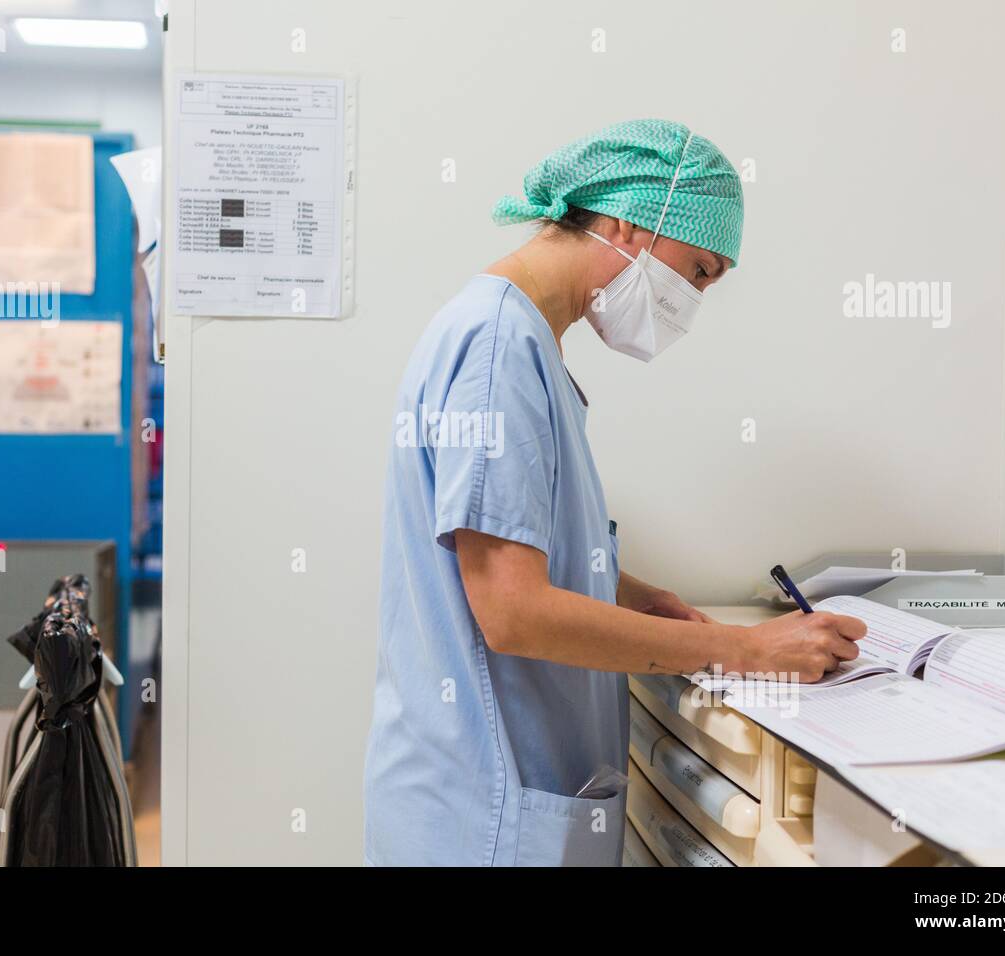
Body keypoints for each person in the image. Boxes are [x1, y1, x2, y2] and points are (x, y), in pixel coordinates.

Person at [363, 120, 865, 867]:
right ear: (627, 225)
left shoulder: (513, 336)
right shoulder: (499, 349)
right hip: (487, 812)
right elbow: (513, 610)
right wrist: (744, 648)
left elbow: (506, 540)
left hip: (490, 798)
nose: (691, 302)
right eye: (697, 272)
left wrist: (623, 589)